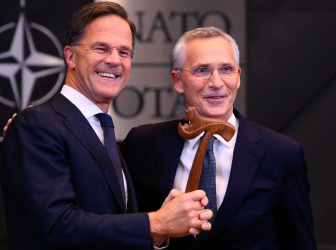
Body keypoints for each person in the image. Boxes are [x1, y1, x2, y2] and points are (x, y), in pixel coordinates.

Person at [0, 2, 213, 249]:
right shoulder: (35, 125)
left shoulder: (104, 131)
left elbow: (111, 229)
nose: (114, 60)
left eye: (124, 52)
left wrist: (156, 236)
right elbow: (57, 226)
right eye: (101, 48)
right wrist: (155, 222)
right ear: (70, 56)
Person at [120, 27, 317, 249]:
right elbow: (123, 234)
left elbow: (300, 243)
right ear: (177, 81)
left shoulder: (281, 154)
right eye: (202, 70)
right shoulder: (142, 144)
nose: (216, 82)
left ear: (238, 77)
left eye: (226, 69)